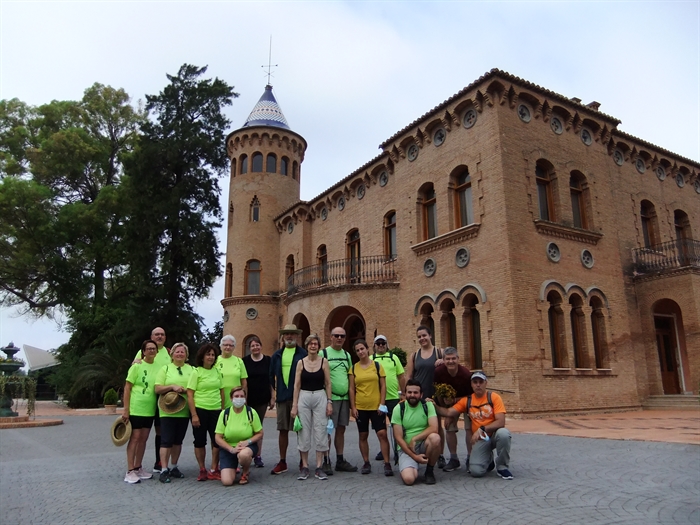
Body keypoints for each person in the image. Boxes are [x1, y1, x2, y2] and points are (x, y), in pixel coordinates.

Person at [433, 371, 513, 480]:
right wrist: (433, 405)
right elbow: (448, 412)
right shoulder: (467, 400)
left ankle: (502, 466)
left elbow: (501, 422)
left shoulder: (494, 397)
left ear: (486, 383)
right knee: (476, 472)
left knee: (504, 434)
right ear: (471, 384)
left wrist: (483, 429)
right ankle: (488, 459)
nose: (478, 385)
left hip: (494, 435)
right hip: (481, 440)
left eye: (481, 382)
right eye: (475, 382)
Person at [290, 334, 333, 480]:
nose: (313, 346)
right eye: (310, 344)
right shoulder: (301, 363)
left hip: (320, 395)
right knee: (303, 430)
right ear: (307, 346)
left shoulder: (324, 362)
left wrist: (329, 401)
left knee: (321, 429)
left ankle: (319, 466)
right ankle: (305, 466)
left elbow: (328, 383)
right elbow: (296, 385)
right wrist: (294, 405)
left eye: (315, 344)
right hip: (304, 396)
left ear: (319, 346)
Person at [349, 339, 393, 477]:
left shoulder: (377, 366)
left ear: (368, 349)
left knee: (382, 434)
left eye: (362, 349)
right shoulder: (353, 368)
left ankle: (387, 463)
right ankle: (366, 462)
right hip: (361, 407)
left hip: (376, 406)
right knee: (363, 435)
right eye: (357, 350)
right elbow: (351, 388)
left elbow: (383, 386)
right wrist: (353, 407)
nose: (361, 352)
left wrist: (382, 404)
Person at [268, 324, 307, 475]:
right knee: (282, 430)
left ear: (297, 336)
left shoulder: (302, 353)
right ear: (283, 337)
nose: (289, 336)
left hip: (299, 397)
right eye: (286, 334)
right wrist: (273, 395)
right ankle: (282, 461)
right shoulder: (277, 355)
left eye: (292, 334)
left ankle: (302, 461)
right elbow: (270, 376)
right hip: (282, 397)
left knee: (300, 430)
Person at [405, 324, 445, 468]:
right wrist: (405, 395)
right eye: (419, 337)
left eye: (424, 335)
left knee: (438, 426)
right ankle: (418, 449)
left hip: (435, 395)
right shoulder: (414, 355)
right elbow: (409, 376)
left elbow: (452, 365)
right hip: (418, 395)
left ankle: (440, 454)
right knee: (419, 423)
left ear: (430, 336)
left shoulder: (440, 352)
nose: (422, 338)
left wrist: (443, 362)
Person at [154, 342, 194, 483]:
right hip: (167, 411)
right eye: (177, 351)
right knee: (166, 440)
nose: (180, 354)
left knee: (178, 440)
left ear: (186, 355)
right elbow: (157, 388)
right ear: (172, 354)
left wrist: (185, 390)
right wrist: (172, 386)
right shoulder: (165, 369)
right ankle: (164, 469)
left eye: (182, 352)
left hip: (183, 410)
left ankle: (174, 466)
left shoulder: (192, 369)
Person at [133, 327, 171, 473]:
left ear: (165, 337)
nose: (159, 336)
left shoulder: (168, 352)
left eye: (162, 334)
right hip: (147, 399)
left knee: (161, 430)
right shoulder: (144, 351)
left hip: (164, 397)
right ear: (151, 336)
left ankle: (159, 462)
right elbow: (134, 367)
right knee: (142, 434)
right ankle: (136, 465)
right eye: (157, 334)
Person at [122, 339, 159, 484]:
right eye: (148, 349)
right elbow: (127, 387)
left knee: (144, 438)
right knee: (135, 438)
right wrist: (126, 409)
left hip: (150, 410)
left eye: (153, 348)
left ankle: (138, 467)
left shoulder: (159, 367)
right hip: (136, 408)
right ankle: (130, 470)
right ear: (143, 352)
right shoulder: (136, 366)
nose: (151, 351)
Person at [321, 326, 357, 474]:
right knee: (328, 430)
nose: (339, 338)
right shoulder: (323, 354)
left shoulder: (347, 355)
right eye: (336, 335)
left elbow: (350, 377)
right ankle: (326, 460)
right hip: (331, 399)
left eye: (342, 336)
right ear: (331, 337)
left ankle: (340, 460)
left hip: (344, 399)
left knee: (341, 429)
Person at [391, 379, 441, 485]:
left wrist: (415, 438)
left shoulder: (428, 406)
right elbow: (398, 438)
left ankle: (429, 471)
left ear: (421, 394)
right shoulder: (398, 409)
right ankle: (413, 464)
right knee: (409, 480)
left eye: (415, 392)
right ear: (405, 394)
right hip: (406, 448)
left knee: (435, 438)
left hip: (423, 444)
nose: (412, 395)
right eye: (409, 392)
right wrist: (414, 457)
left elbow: (434, 428)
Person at [187, 343, 225, 481]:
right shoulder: (196, 372)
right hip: (200, 409)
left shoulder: (217, 372)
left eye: (213, 355)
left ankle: (214, 468)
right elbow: (190, 394)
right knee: (199, 441)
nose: (210, 357)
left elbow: (221, 391)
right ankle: (202, 468)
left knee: (217, 441)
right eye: (208, 354)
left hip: (215, 409)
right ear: (202, 357)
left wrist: (222, 409)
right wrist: (194, 414)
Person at [432, 346, 472, 472]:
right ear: (443, 360)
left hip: (466, 402)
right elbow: (438, 392)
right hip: (449, 403)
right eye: (448, 359)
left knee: (469, 428)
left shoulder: (466, 374)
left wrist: (455, 402)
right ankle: (454, 459)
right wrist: (447, 412)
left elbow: (471, 397)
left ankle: (470, 458)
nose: (451, 361)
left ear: (458, 359)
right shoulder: (439, 372)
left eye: (453, 358)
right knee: (449, 427)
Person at [214, 386, 264, 486]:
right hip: (229, 449)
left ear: (245, 398)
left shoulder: (251, 412)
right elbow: (218, 437)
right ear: (231, 398)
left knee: (244, 455)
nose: (239, 398)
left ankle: (245, 472)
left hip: (246, 447)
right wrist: (230, 449)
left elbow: (260, 433)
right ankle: (232, 467)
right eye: (236, 396)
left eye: (242, 396)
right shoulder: (225, 414)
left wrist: (248, 442)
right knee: (227, 482)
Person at [370, 335, 405, 462]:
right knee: (380, 429)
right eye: (378, 343)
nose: (380, 345)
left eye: (383, 343)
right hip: (377, 400)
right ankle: (383, 449)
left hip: (393, 398)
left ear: (387, 344)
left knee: (397, 426)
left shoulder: (393, 358)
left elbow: (401, 376)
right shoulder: (370, 359)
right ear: (374, 346)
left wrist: (404, 393)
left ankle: (398, 449)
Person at [242, 336, 274, 468]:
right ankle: (246, 452)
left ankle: (258, 455)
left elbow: (271, 380)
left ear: (261, 346)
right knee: (245, 428)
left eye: (257, 345)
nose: (255, 348)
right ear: (249, 348)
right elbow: (243, 381)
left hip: (262, 399)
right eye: (252, 346)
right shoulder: (244, 361)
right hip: (248, 400)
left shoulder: (267, 360)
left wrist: (273, 397)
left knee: (258, 428)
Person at [216, 335, 248, 408]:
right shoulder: (215, 361)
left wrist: (244, 399)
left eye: (231, 345)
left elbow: (244, 382)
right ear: (220, 346)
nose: (228, 347)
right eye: (225, 345)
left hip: (236, 399)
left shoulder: (239, 361)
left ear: (234, 347)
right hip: (218, 399)